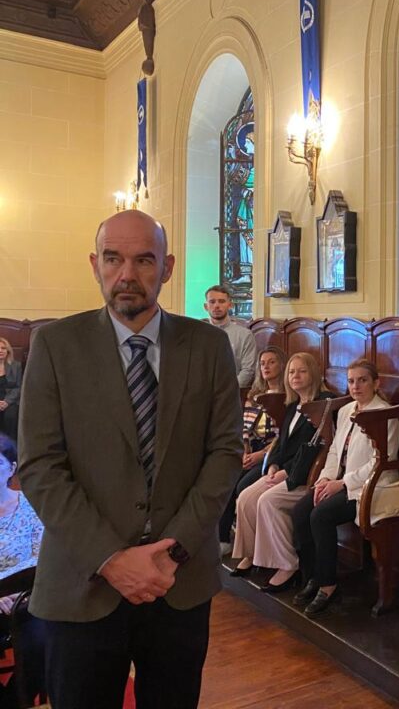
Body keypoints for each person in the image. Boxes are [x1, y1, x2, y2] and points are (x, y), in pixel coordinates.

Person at [17, 209, 243, 709]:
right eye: (113, 259)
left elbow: (225, 453)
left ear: (167, 267)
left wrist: (172, 551)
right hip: (83, 581)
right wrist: (111, 559)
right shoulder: (56, 345)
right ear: (94, 264)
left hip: (178, 581)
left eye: (144, 260)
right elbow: (39, 465)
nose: (127, 274)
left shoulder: (208, 347)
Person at [291, 360, 399, 618]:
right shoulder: (346, 410)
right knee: (301, 511)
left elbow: (381, 462)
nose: (356, 386)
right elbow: (334, 450)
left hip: (370, 487)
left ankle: (328, 586)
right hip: (339, 481)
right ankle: (313, 576)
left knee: (321, 516)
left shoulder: (385, 415)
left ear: (376, 383)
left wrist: (341, 483)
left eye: (362, 380)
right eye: (351, 381)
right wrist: (325, 479)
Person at [232, 352, 335, 593]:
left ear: (313, 373)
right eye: (291, 372)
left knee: (268, 501)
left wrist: (286, 473)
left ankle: (288, 564)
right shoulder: (292, 404)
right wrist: (273, 465)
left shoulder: (323, 403)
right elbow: (281, 443)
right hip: (284, 470)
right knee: (245, 498)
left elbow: (314, 448)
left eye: (302, 371)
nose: (295, 376)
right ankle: (254, 555)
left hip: (305, 476)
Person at [218, 346, 288, 555]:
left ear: (281, 365)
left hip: (272, 452)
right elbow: (245, 427)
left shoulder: (287, 397)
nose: (266, 367)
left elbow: (282, 437)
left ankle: (253, 543)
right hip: (251, 448)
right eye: (262, 363)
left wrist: (261, 455)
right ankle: (223, 538)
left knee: (243, 485)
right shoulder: (255, 394)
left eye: (271, 362)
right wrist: (245, 451)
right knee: (226, 478)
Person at [0, 434, 45, 709]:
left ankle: (13, 702)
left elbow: (42, 559)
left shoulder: (31, 506)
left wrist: (17, 594)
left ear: (12, 468)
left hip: (28, 598)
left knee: (42, 641)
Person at [203, 284, 257, 387]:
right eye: (212, 302)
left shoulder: (244, 335)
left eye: (221, 301)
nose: (217, 305)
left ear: (230, 305)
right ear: (206, 306)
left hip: (233, 391)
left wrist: (229, 390)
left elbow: (248, 370)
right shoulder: (198, 335)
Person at [0, 339, 22, 441]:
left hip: (10, 401)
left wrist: (7, 402)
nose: (0, 351)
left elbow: (19, 386)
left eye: (3, 348)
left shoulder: (16, 366)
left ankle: (10, 445)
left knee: (10, 416)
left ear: (8, 351)